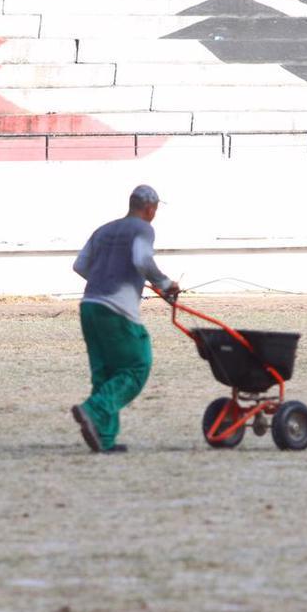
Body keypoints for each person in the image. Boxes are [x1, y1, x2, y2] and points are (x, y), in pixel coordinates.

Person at [71, 184, 180, 453]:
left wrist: (106, 279)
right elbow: (142, 259)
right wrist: (165, 284)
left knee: (105, 373)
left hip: (89, 306)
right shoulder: (143, 229)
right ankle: (93, 410)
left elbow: (80, 265)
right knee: (136, 365)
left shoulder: (104, 229)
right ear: (150, 208)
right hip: (117, 310)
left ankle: (104, 439)